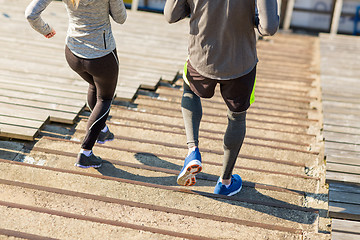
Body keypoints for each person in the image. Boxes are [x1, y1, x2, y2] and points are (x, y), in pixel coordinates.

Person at [164, 0, 279, 196]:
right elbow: (268, 28)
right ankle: (225, 181)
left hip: (202, 55)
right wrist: (249, 19)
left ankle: (193, 150)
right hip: (241, 63)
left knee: (189, 90)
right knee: (237, 116)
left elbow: (171, 15)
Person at [25, 0, 127, 168]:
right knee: (105, 98)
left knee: (95, 86)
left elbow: (30, 13)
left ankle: (101, 130)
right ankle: (85, 153)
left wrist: (46, 30)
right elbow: (121, 18)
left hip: (73, 53)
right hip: (102, 57)